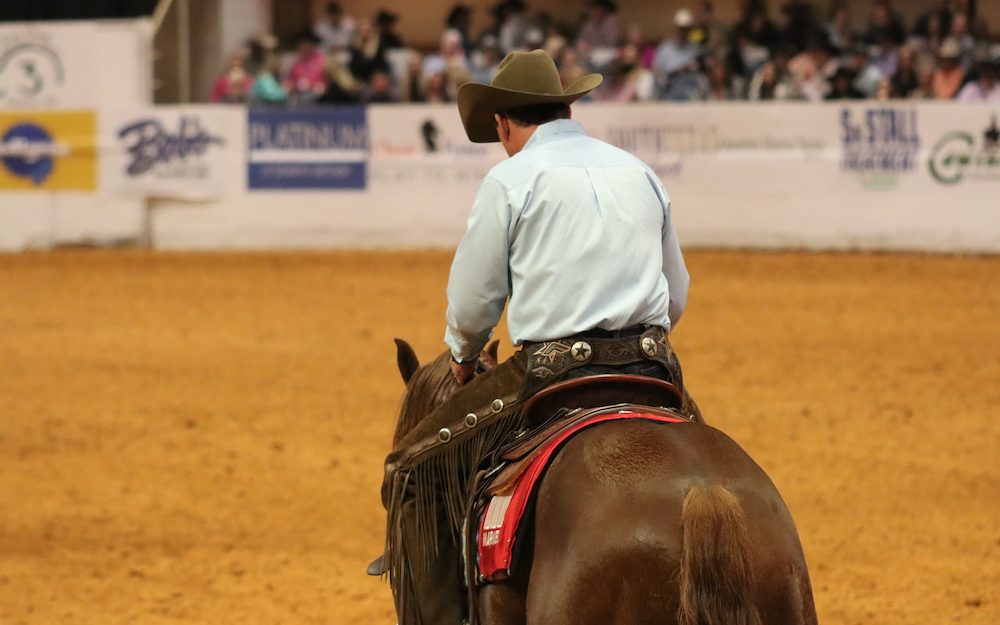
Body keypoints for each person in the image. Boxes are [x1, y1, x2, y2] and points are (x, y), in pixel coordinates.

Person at [379, 49, 694, 625]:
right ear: (564, 107)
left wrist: (463, 356)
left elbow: (475, 300)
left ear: (503, 122)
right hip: (652, 367)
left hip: (554, 371)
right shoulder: (638, 171)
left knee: (409, 467)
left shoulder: (510, 179)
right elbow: (675, 297)